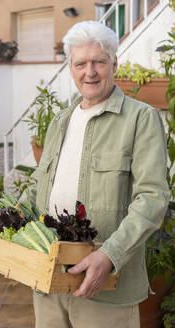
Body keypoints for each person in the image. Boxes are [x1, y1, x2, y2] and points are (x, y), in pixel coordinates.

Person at [20, 21, 169, 328]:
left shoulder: (140, 119)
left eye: (99, 62)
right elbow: (38, 185)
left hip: (105, 285)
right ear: (70, 68)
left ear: (114, 63)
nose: (90, 72)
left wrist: (109, 256)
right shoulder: (60, 121)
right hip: (49, 279)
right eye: (80, 64)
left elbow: (152, 199)